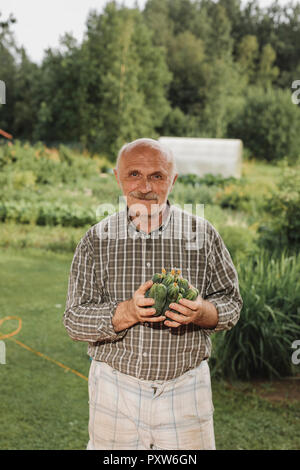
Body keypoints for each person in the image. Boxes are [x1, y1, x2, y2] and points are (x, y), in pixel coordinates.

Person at [63, 138, 243, 450]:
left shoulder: (203, 235)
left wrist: (203, 313)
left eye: (157, 176)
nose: (145, 187)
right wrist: (127, 312)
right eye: (134, 174)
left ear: (173, 180)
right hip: (114, 387)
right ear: (118, 177)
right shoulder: (95, 241)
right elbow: (74, 320)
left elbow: (231, 302)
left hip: (186, 388)